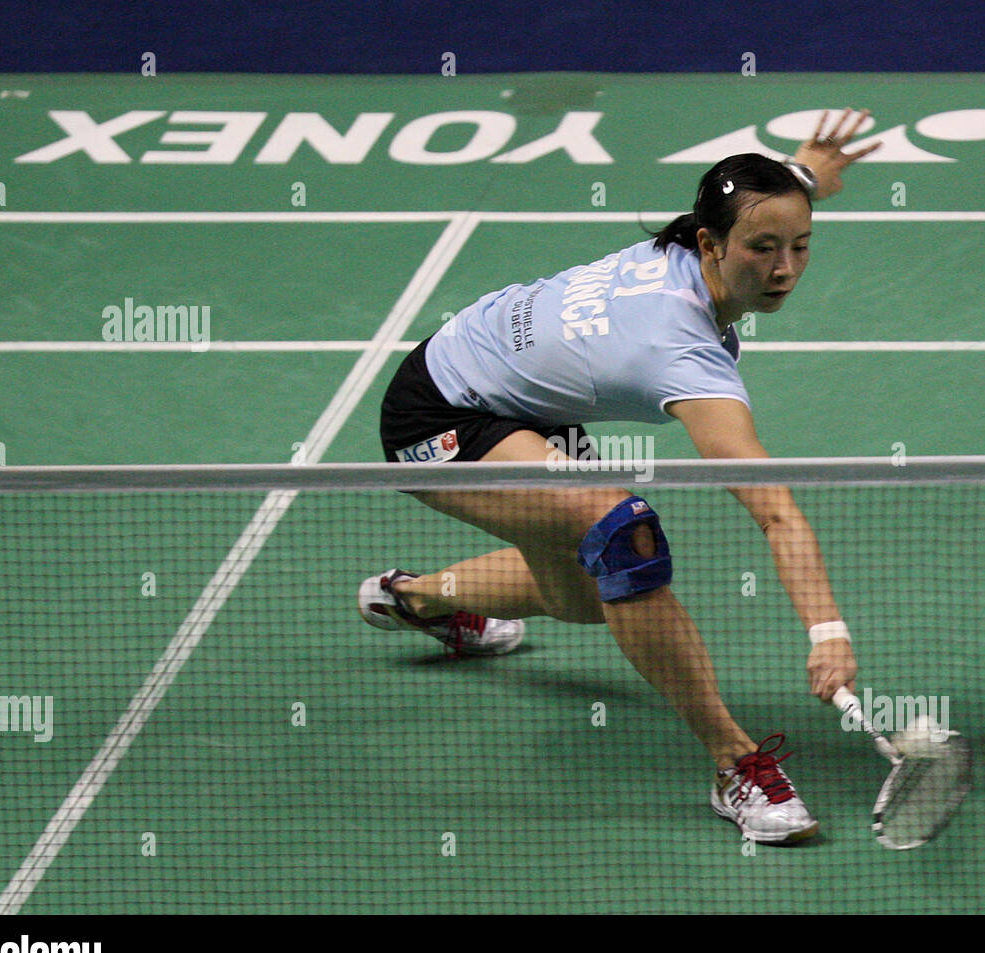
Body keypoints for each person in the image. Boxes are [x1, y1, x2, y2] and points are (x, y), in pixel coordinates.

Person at [360, 109, 880, 845]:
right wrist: (827, 631)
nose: (785, 268)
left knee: (579, 596)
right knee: (619, 530)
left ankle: (410, 597)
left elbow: (766, 203)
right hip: (439, 414)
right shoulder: (679, 352)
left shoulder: (712, 228)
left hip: (516, 401)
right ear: (710, 242)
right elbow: (775, 511)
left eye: (799, 246)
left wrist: (804, 175)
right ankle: (735, 762)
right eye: (763, 249)